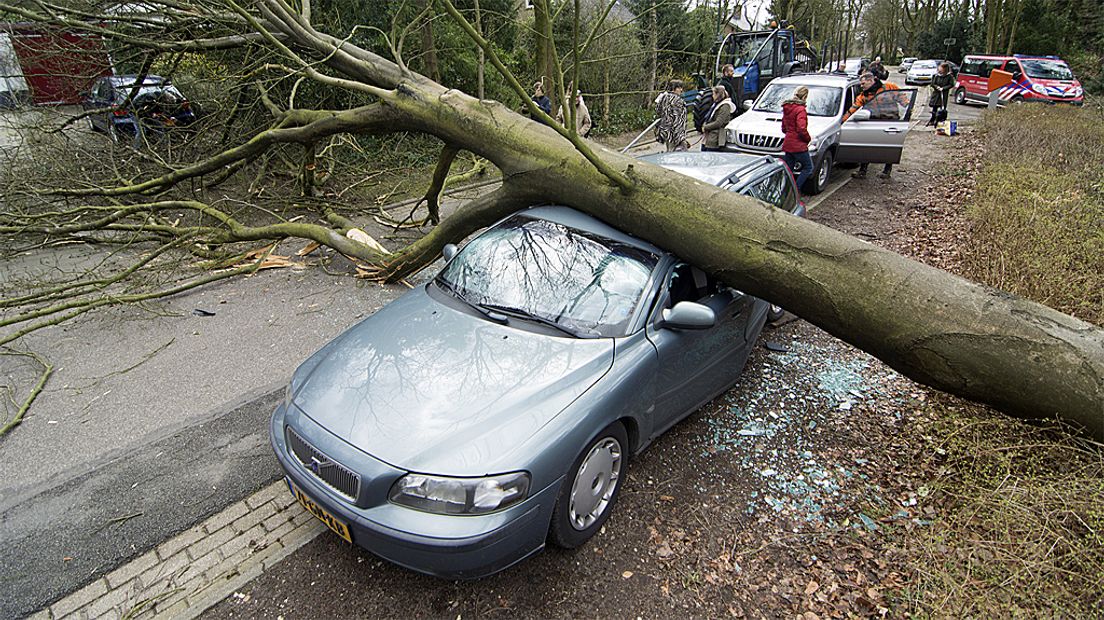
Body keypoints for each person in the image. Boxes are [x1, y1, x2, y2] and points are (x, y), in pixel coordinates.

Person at [844, 71, 901, 179]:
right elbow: (853, 110)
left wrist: (908, 114)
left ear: (871, 81)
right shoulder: (863, 96)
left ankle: (887, 170)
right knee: (868, 147)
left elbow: (904, 101)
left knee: (889, 148)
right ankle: (862, 171)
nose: (861, 86)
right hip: (873, 122)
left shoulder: (889, 87)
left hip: (890, 122)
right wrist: (843, 122)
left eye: (863, 84)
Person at [781, 85, 814, 191]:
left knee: (789, 170)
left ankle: (785, 191)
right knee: (808, 167)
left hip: (788, 143)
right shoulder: (801, 110)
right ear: (804, 97)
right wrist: (808, 139)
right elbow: (801, 128)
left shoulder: (787, 108)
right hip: (798, 145)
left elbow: (784, 128)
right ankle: (795, 189)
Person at [654, 79, 689, 152]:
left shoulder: (663, 97)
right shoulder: (678, 101)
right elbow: (678, 121)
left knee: (669, 150)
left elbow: (657, 111)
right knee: (675, 154)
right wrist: (680, 138)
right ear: (673, 89)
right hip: (675, 133)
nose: (681, 90)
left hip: (666, 132)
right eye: (679, 88)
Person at [701, 85, 735, 151]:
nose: (712, 96)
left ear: (718, 95)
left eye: (713, 94)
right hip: (709, 138)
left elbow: (718, 123)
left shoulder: (725, 106)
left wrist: (705, 127)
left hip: (715, 139)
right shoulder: (716, 104)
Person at [927, 62, 954, 126]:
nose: (940, 70)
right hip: (936, 93)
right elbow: (932, 83)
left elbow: (951, 84)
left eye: (942, 69)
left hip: (943, 94)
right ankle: (932, 119)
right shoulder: (936, 75)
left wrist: (944, 88)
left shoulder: (949, 76)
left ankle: (941, 120)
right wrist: (937, 87)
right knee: (934, 107)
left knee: (942, 107)